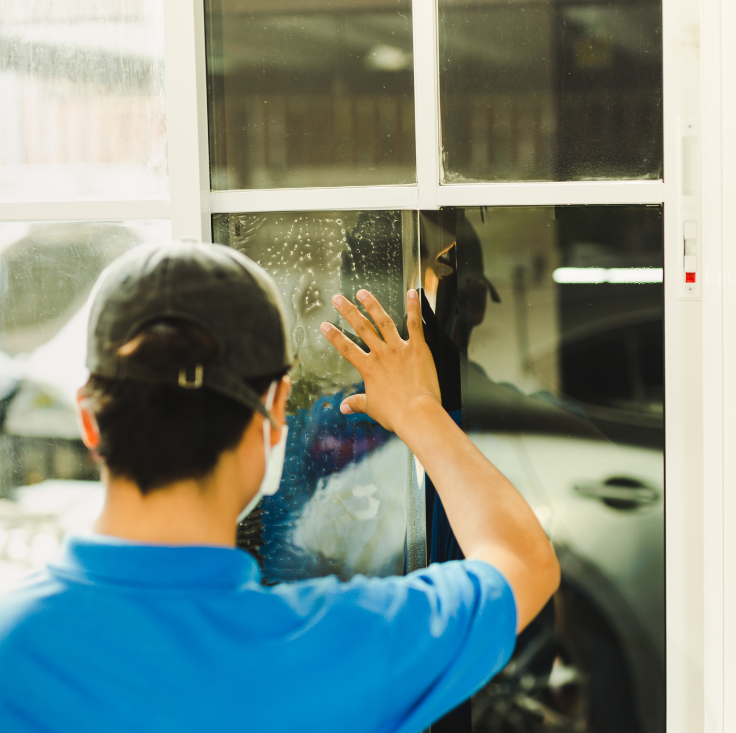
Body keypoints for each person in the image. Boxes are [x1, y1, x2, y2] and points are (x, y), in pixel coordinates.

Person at [0, 241, 559, 733]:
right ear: (272, 414)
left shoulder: (14, 650)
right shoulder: (337, 647)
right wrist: (419, 410)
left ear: (90, 419)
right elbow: (521, 561)